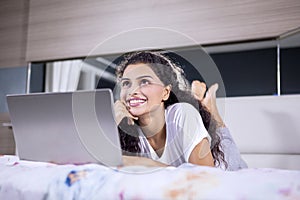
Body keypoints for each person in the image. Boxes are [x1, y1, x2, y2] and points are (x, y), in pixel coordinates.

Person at [113, 50, 247, 170]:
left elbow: (206, 177)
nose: (132, 91)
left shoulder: (183, 113)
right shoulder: (125, 129)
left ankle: (209, 107)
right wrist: (111, 123)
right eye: (126, 83)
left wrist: (143, 164)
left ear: (165, 92)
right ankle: (200, 101)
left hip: (222, 168)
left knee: (228, 152)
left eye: (144, 82)